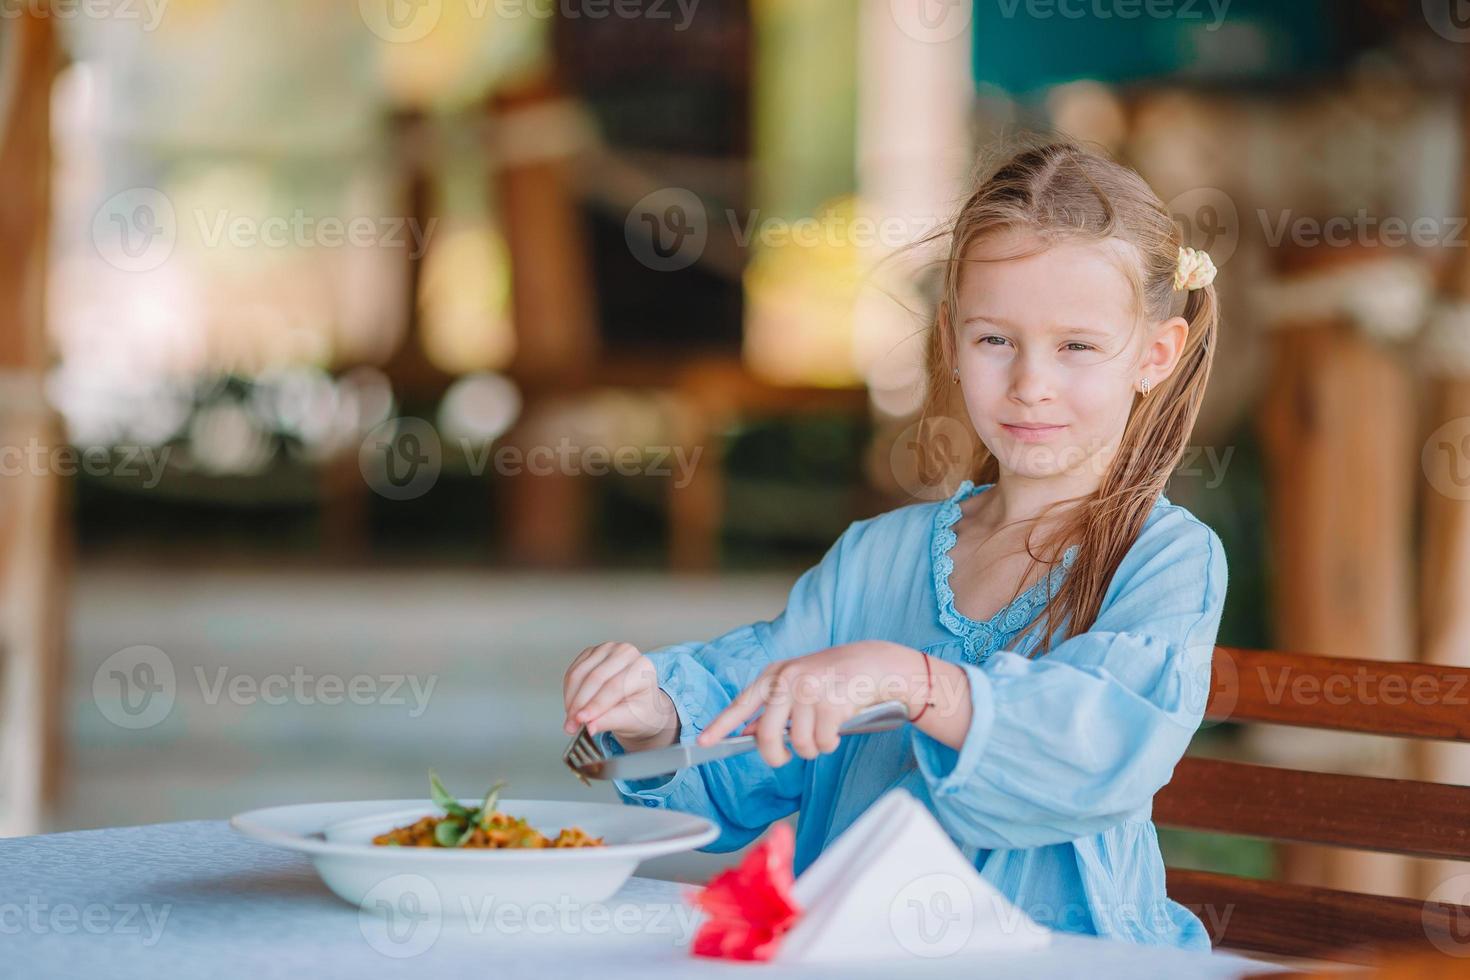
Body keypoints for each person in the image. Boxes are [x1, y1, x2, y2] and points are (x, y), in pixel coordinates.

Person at [562, 139, 1227, 950]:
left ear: (1155, 355)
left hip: (1070, 959)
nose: (1030, 382)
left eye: (1077, 346)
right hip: (859, 953)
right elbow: (756, 736)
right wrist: (656, 718)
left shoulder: (1165, 561)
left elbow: (1099, 749)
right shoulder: (876, 558)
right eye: (995, 340)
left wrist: (916, 683)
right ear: (949, 339)